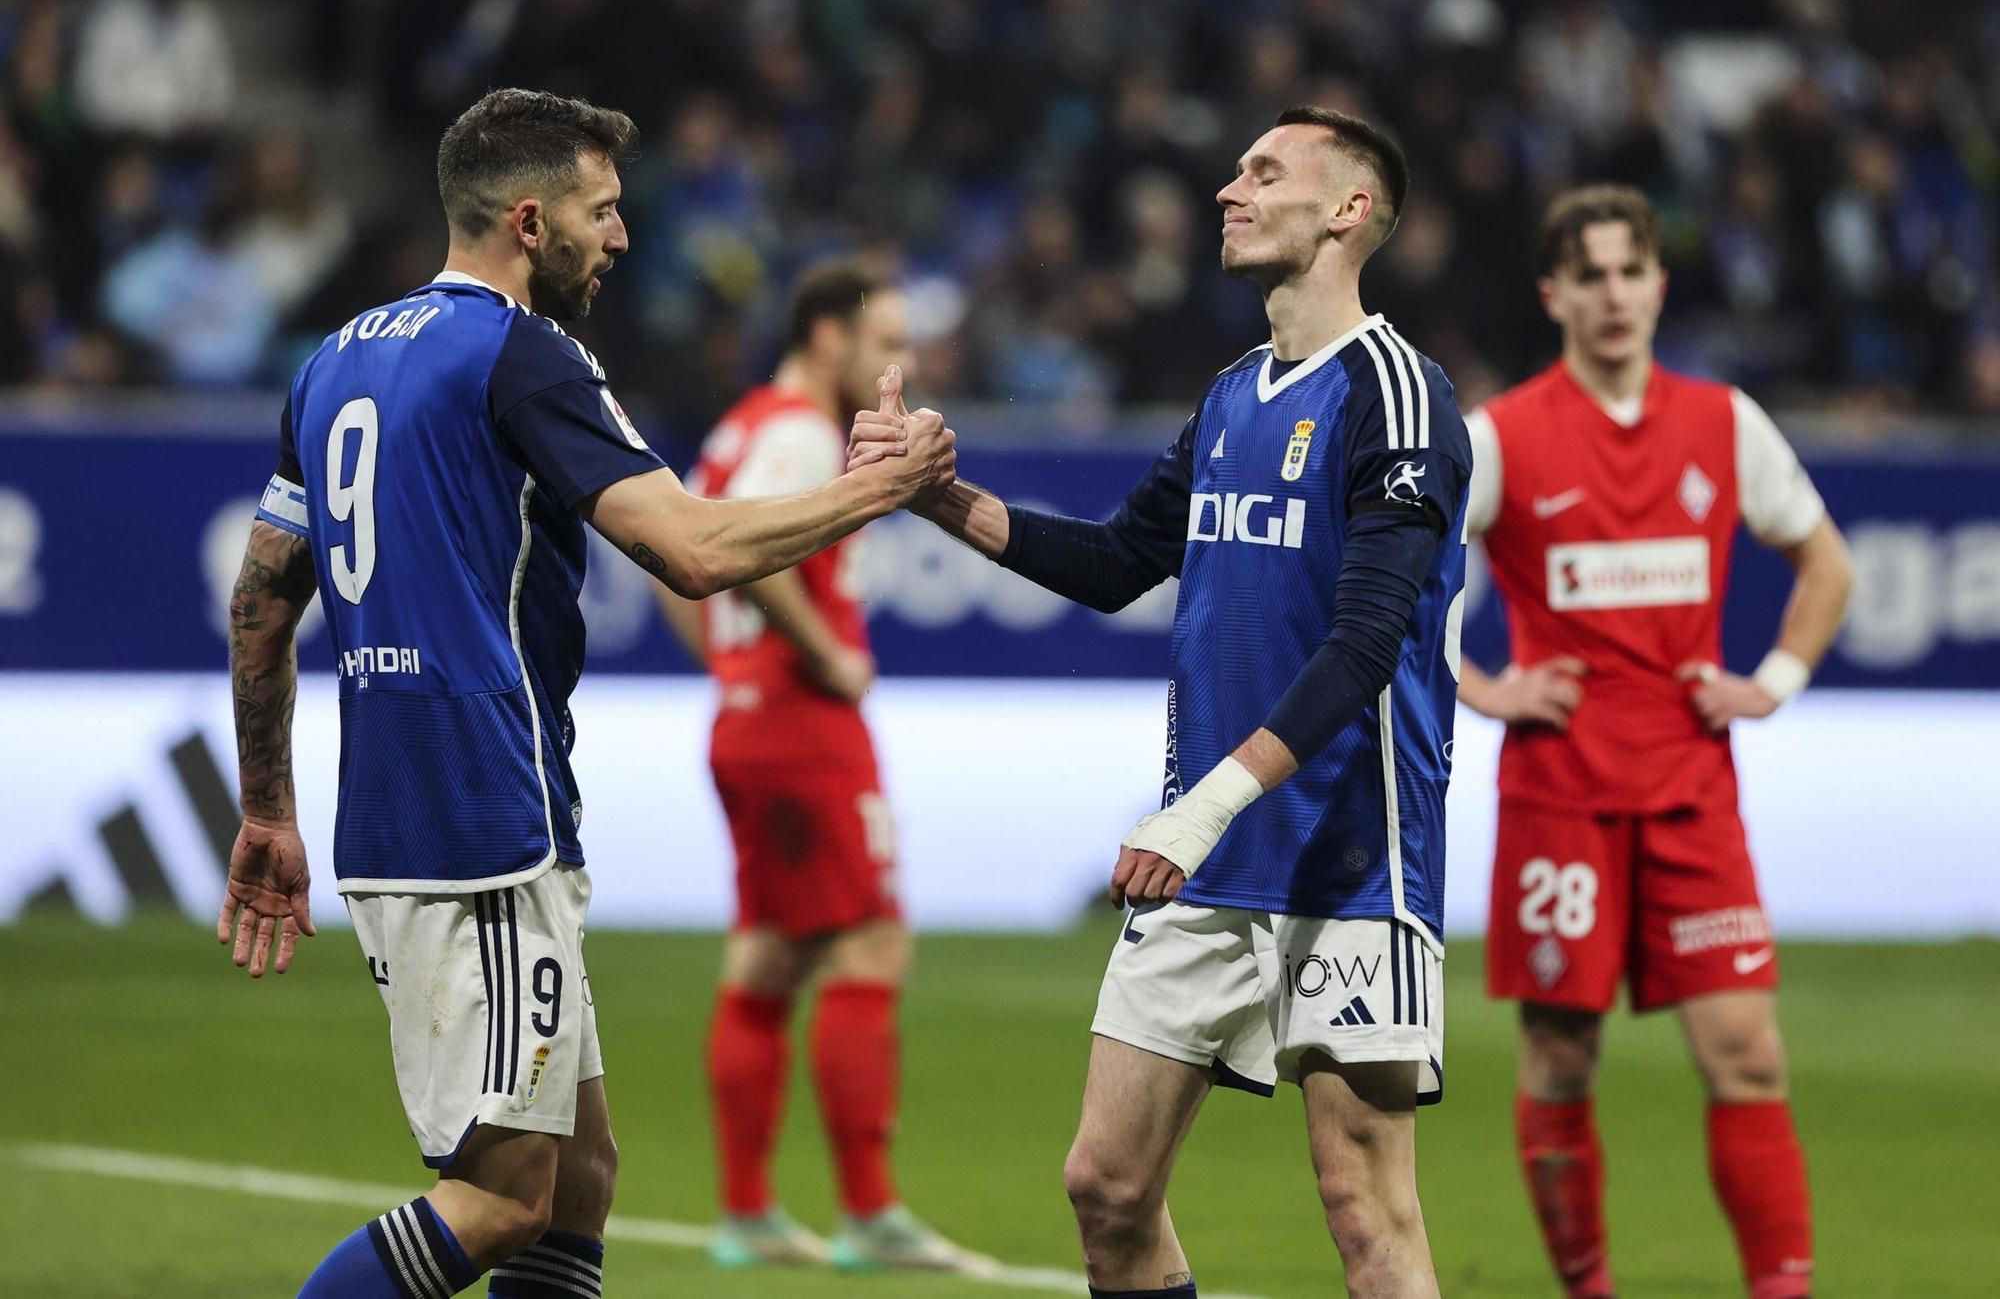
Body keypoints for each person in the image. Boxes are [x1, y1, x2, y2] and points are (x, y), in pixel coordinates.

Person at [215, 88, 953, 1299]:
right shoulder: (524, 352)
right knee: (503, 1196)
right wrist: (886, 485)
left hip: (411, 807)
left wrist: (268, 809)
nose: (619, 237)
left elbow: (259, 607)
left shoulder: (334, 358)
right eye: (600, 211)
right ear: (526, 218)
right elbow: (695, 549)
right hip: (479, 815)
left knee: (581, 1173)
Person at [853, 106, 1469, 1298]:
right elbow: (1116, 559)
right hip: (1204, 851)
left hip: (1352, 857)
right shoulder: (1233, 392)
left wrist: (1197, 809)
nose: (1227, 191)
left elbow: (1364, 643)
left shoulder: (1398, 395)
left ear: (1346, 210)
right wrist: (934, 497)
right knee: (1107, 1183)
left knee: (1362, 1202)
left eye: (1261, 172)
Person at [1458, 183, 1852, 1299]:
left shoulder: (1721, 422)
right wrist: (1485, 689)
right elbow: (1403, 583)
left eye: (1630, 270)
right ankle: (1588, 1289)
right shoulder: (1501, 436)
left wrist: (1770, 681)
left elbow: (1826, 563)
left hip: (1691, 791)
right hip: (1559, 798)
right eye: (1588, 275)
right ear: (1553, 295)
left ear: (1658, 283)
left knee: (1746, 1053)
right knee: (1560, 1059)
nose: (1613, 294)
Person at [655, 258, 992, 1273]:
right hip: (802, 726)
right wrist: (822, 654)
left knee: (765, 953)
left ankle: (748, 1211)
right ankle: (868, 1210)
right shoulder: (801, 431)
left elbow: (682, 557)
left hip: (747, 718)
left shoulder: (743, 422)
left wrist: (727, 666)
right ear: (825, 339)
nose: (901, 363)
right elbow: (749, 574)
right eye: (884, 342)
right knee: (871, 943)